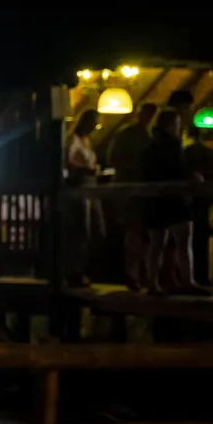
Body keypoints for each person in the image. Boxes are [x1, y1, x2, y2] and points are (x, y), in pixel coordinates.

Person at [142, 109, 208, 296]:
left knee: (157, 244)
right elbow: (179, 169)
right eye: (177, 123)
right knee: (184, 240)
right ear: (171, 125)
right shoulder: (173, 145)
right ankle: (188, 281)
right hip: (175, 199)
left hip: (155, 200)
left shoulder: (150, 147)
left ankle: (152, 283)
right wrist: (193, 178)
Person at [106, 102, 158, 290]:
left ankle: (141, 274)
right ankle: (132, 274)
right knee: (135, 231)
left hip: (146, 191)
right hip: (130, 190)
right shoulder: (128, 135)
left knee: (144, 234)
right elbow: (114, 159)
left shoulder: (151, 136)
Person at [64, 109, 104, 287]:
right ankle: (75, 271)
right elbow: (67, 161)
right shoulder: (74, 139)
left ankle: (87, 269)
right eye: (93, 123)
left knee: (97, 228)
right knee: (82, 229)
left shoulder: (88, 141)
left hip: (92, 185)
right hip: (80, 185)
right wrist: (83, 170)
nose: (95, 127)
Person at [183, 128, 213, 286]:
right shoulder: (208, 151)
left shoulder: (185, 152)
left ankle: (189, 275)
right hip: (205, 199)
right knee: (202, 239)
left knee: (187, 241)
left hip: (187, 200)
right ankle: (203, 276)